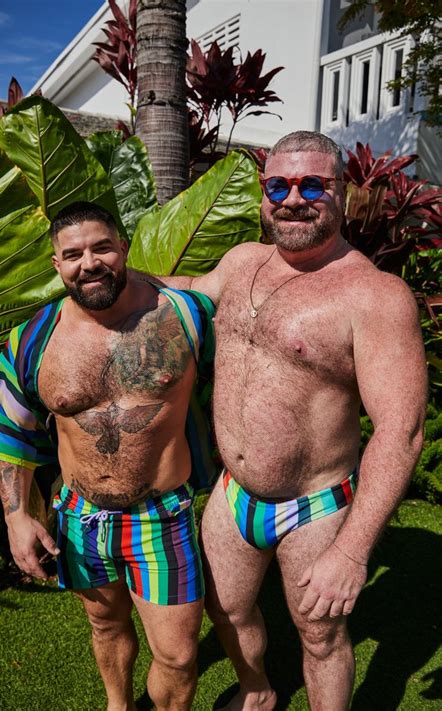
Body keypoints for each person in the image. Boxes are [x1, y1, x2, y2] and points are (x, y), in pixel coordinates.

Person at [161, 131, 427, 710]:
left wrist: (353, 553)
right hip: (233, 496)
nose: (292, 198)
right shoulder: (242, 262)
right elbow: (187, 294)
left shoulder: (374, 296)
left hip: (315, 506)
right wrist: (113, 278)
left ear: (341, 192)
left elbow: (400, 433)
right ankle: (258, 691)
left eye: (312, 184)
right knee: (226, 608)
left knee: (321, 634)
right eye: (278, 185)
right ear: (264, 193)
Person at [0, 201, 215, 711]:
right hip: (79, 518)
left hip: (162, 517)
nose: (88, 263)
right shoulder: (32, 341)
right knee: (105, 623)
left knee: (178, 656)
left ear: (124, 250)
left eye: (101, 247)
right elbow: (10, 430)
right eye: (72, 254)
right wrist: (16, 517)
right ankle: (118, 705)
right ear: (56, 265)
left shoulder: (182, 315)